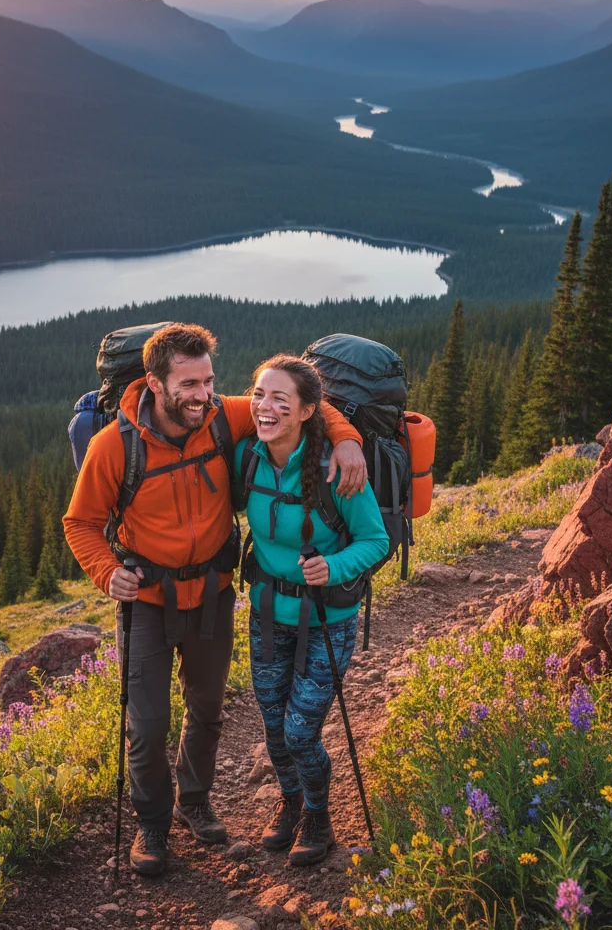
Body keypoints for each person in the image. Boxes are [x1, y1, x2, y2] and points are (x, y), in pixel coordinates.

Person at [63, 324, 367, 876]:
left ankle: (194, 802)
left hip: (215, 594)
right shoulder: (115, 446)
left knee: (206, 709)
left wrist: (347, 440)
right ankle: (153, 829)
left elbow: (302, 406)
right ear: (154, 383)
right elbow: (80, 521)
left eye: (208, 381)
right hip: (149, 600)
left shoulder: (222, 416)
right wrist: (107, 573)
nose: (204, 395)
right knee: (148, 724)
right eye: (189, 384)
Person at [236, 354, 388, 866]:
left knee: (301, 730)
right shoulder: (249, 457)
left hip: (326, 620)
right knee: (274, 726)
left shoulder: (337, 470)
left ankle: (318, 817)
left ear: (307, 412)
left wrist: (336, 566)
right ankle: (290, 801)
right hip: (265, 614)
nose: (266, 407)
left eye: (282, 399)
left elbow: (375, 539)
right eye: (260, 395)